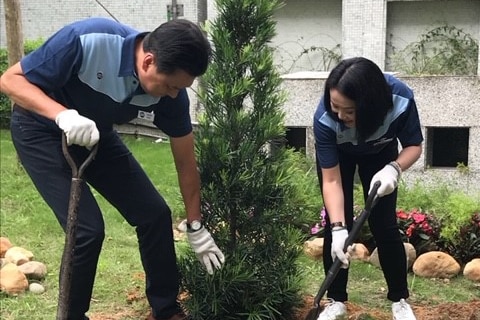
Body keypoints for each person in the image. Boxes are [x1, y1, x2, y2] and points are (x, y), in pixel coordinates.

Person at [0, 17, 225, 320]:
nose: (173, 95)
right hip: (40, 129)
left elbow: (186, 162)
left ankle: (166, 309)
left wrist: (196, 225)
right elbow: (10, 80)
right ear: (148, 61)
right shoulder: (86, 39)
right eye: (171, 86)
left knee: (155, 214)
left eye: (180, 88)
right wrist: (62, 115)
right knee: (86, 230)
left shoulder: (172, 92)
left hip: (96, 134)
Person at [313, 57, 422, 320]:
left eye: (348, 110)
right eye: (335, 107)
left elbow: (414, 145)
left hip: (381, 153)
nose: (340, 115)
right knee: (336, 227)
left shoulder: (401, 98)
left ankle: (399, 299)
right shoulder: (325, 118)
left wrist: (394, 168)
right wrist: (339, 228)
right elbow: (331, 181)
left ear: (369, 104)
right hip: (341, 156)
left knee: (384, 225)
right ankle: (336, 300)